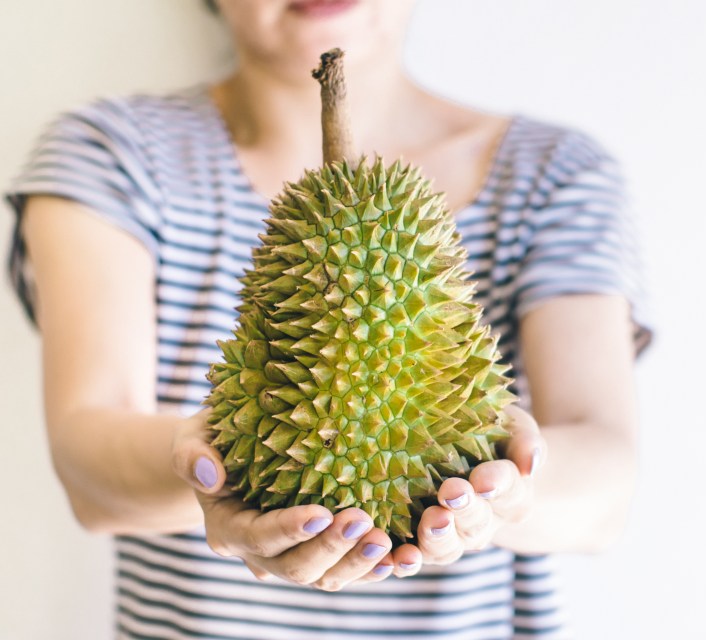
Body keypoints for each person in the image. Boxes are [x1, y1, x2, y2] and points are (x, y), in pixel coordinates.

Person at [6, 1, 650, 637]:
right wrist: (205, 461)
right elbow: (87, 469)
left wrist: (506, 490)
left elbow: (605, 496)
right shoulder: (108, 153)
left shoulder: (558, 174)